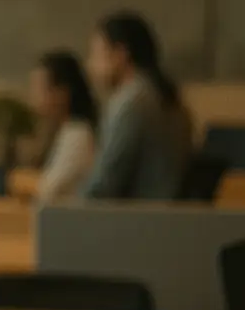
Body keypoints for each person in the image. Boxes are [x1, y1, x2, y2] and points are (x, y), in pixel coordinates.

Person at [80, 11, 192, 200]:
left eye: (95, 53)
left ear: (120, 55)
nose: (90, 65)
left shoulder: (130, 102)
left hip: (132, 220)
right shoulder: (168, 98)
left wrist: (69, 208)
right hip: (164, 216)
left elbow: (104, 183)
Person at [30, 50, 97, 203]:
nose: (34, 96)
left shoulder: (78, 135)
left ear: (62, 93)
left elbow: (49, 190)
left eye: (39, 88)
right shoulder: (66, 131)